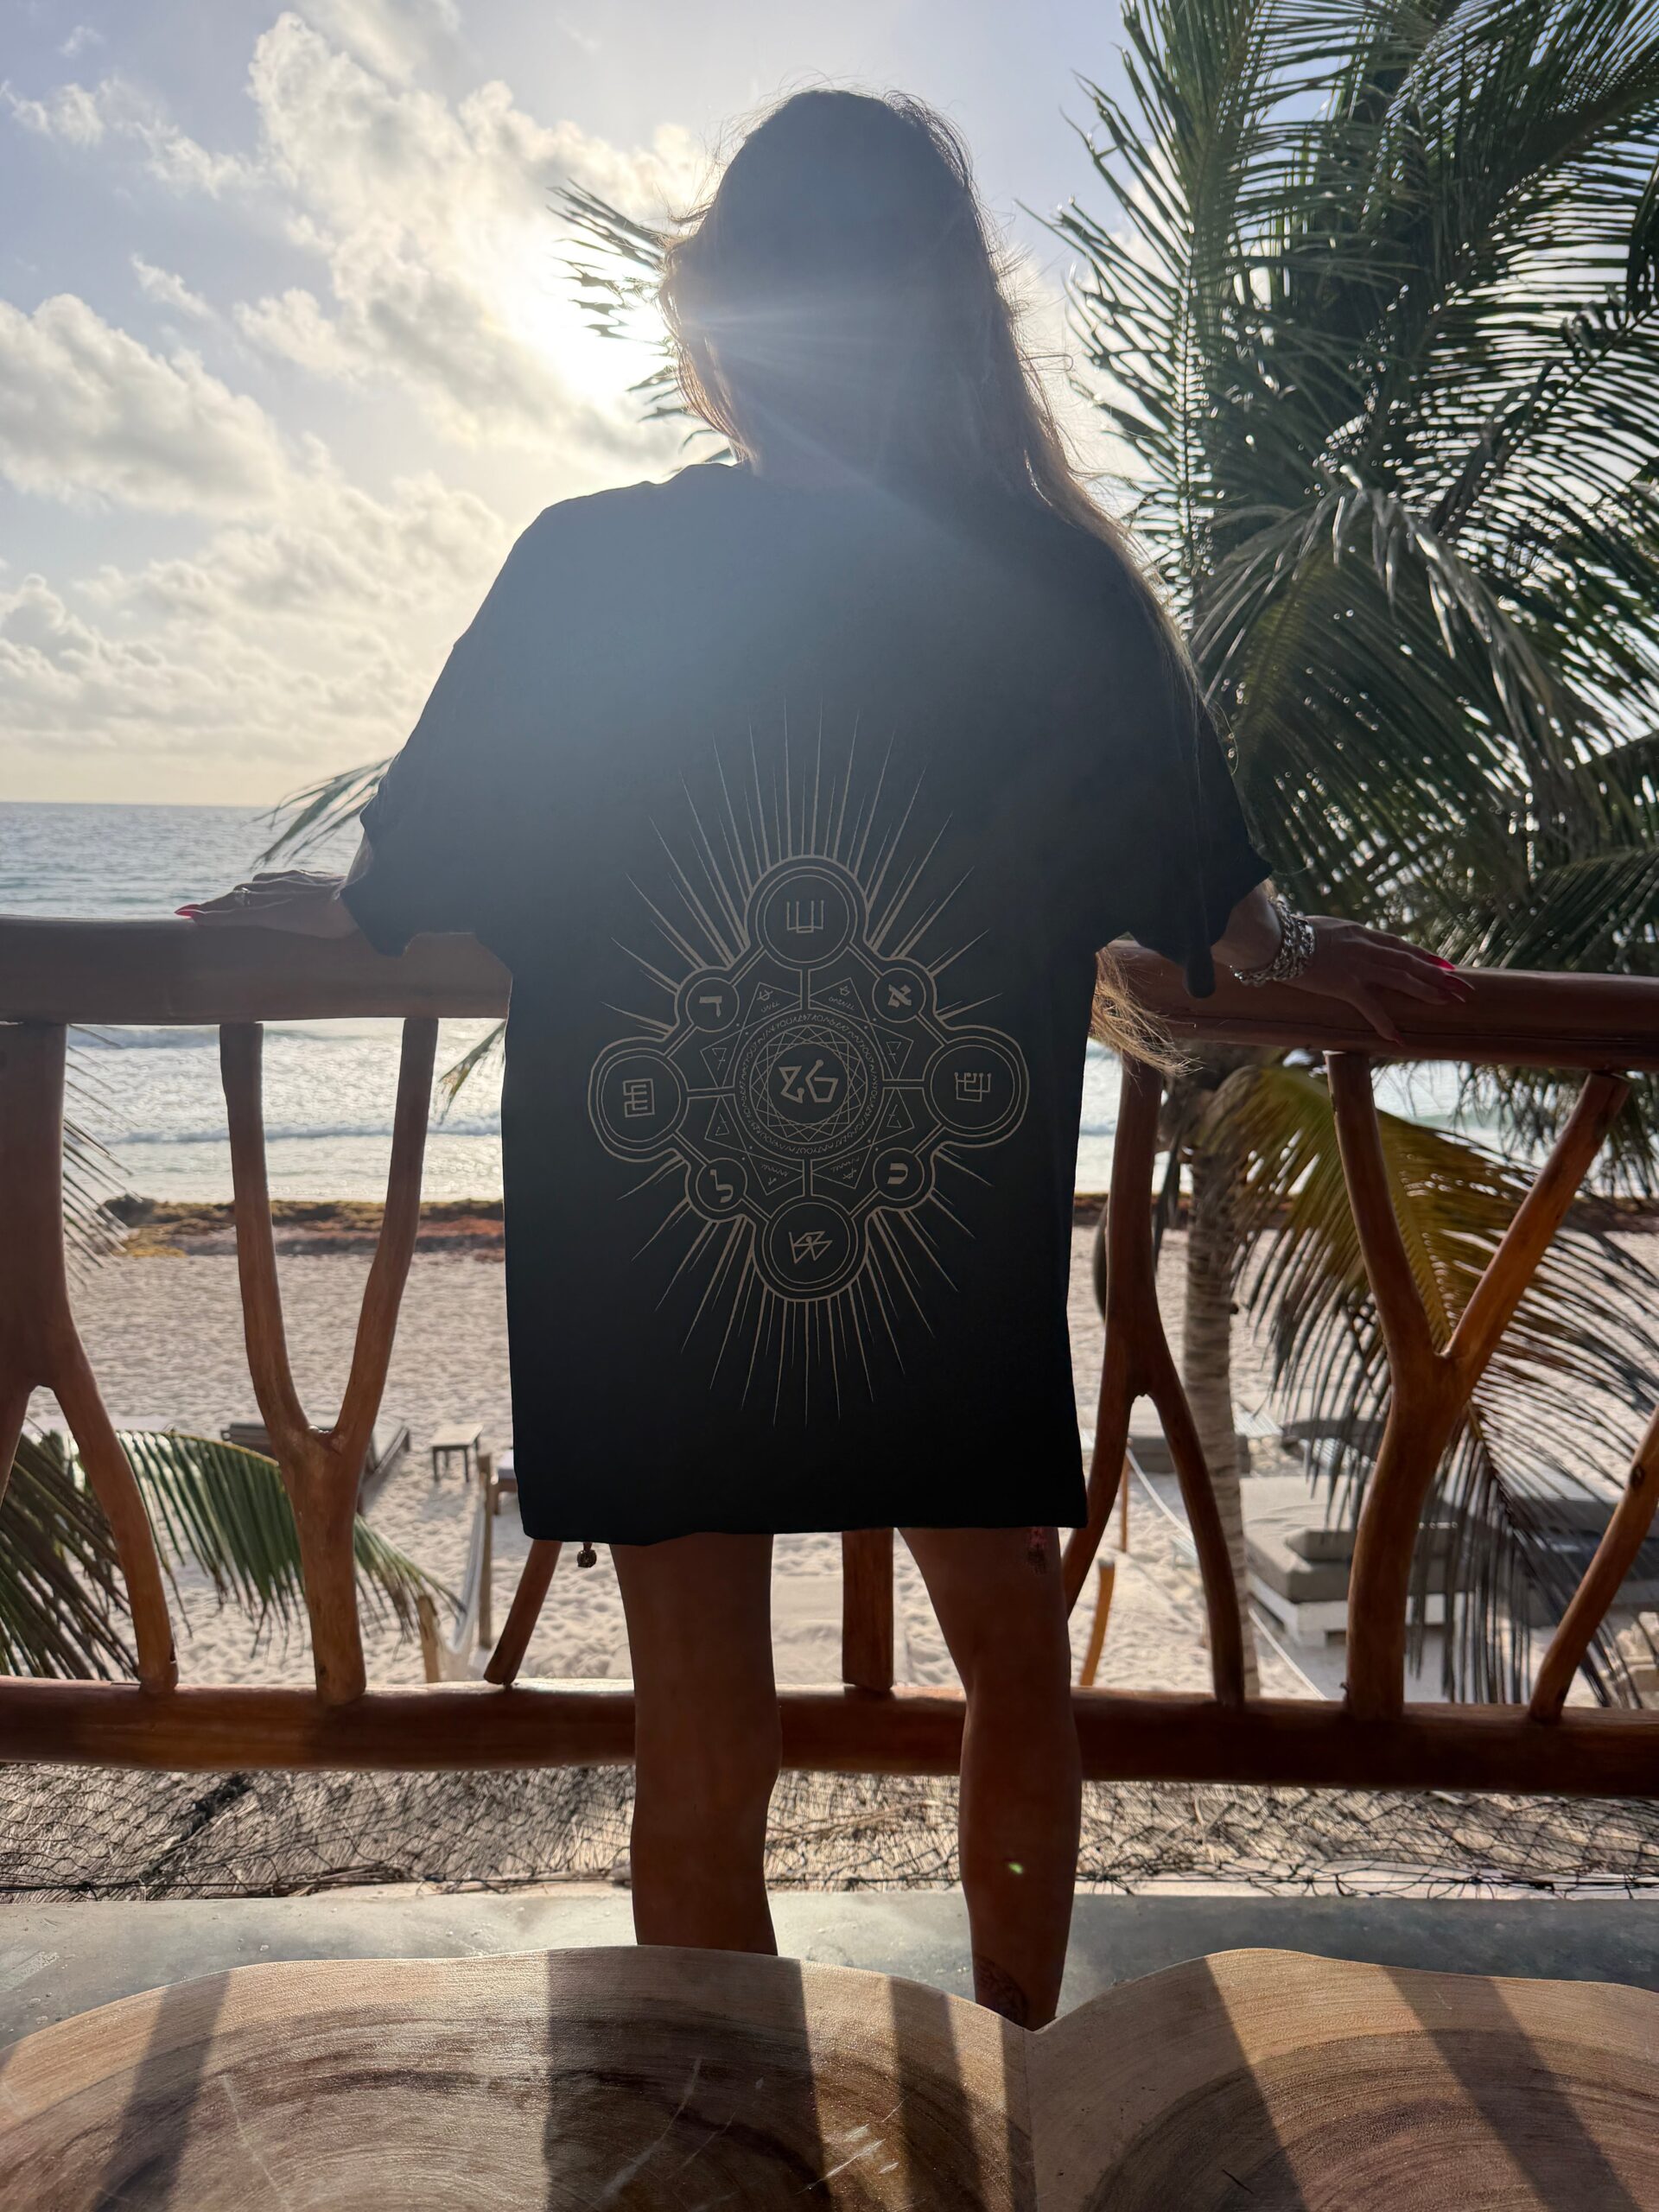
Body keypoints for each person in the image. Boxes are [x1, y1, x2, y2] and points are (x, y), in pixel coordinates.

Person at [187, 88, 1470, 2027]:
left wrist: (340, 911)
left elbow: (429, 871)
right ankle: (1020, 2070)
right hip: (932, 1220)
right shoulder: (1054, 593)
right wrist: (1290, 952)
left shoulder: (592, 568)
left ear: (722, 305)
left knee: (705, 1734)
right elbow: (1211, 908)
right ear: (950, 314)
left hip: (652, 1225)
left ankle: (727, 2130)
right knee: (1013, 1670)